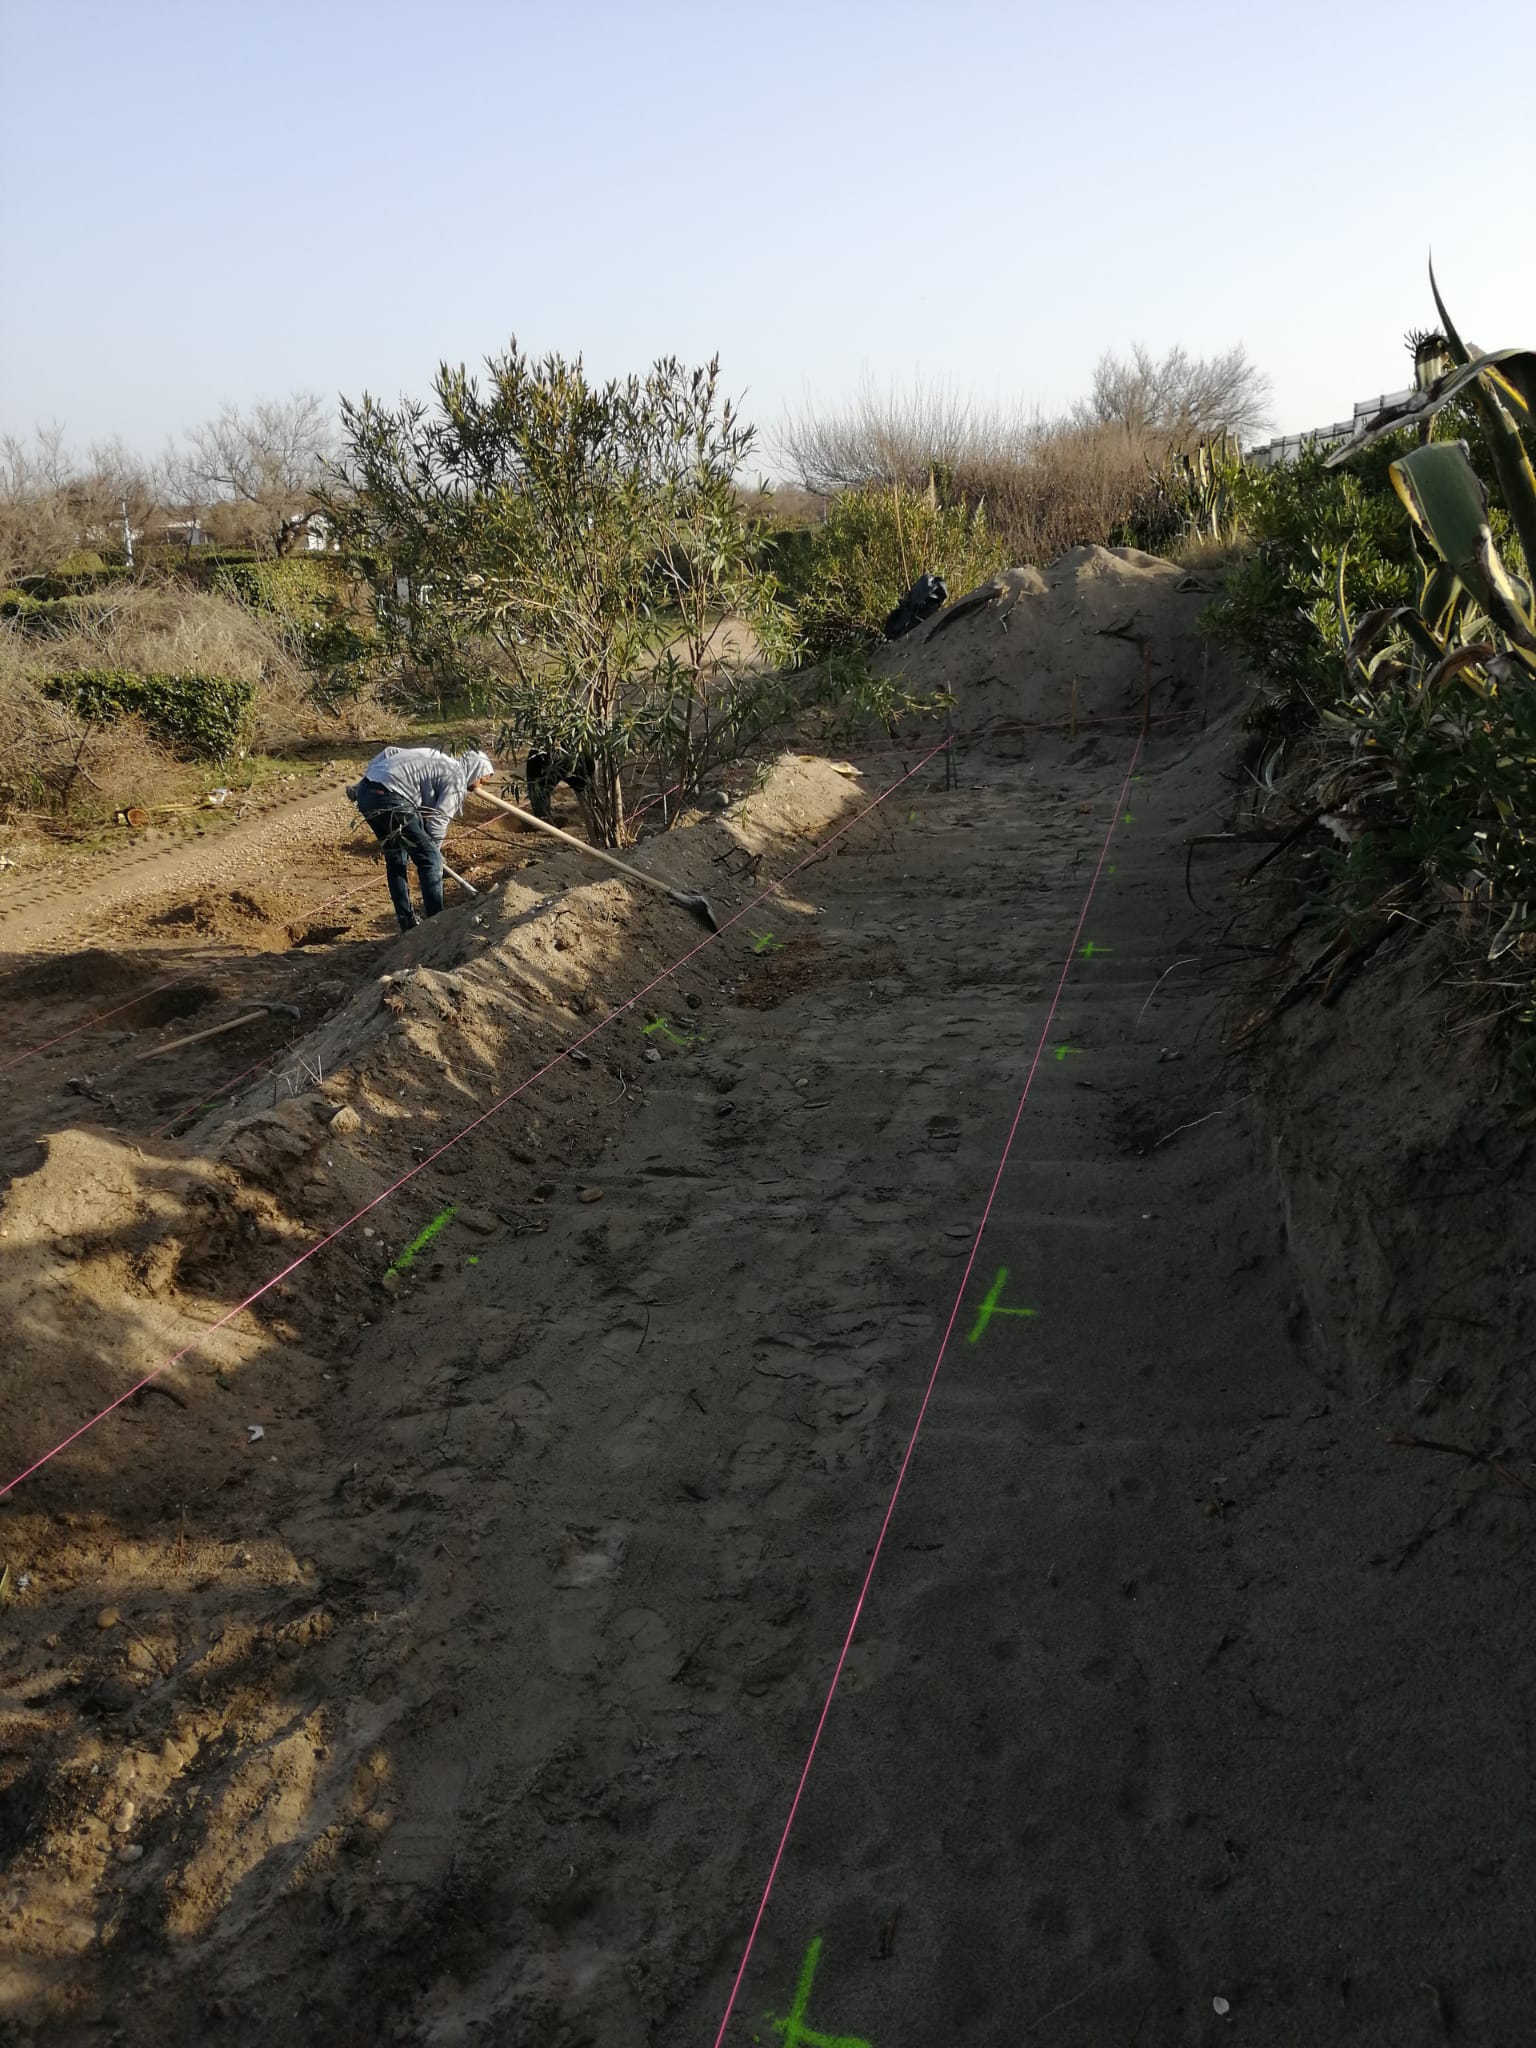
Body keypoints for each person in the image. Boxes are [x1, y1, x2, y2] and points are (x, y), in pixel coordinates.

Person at [347, 745, 495, 931]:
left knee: (396, 859)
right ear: (475, 771)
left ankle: (406, 922)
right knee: (430, 860)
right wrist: (434, 852)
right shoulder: (456, 778)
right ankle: (436, 924)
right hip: (392, 799)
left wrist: (360, 786)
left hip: (367, 794)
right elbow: (438, 821)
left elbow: (389, 751)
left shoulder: (437, 758)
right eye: (481, 780)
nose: (479, 786)